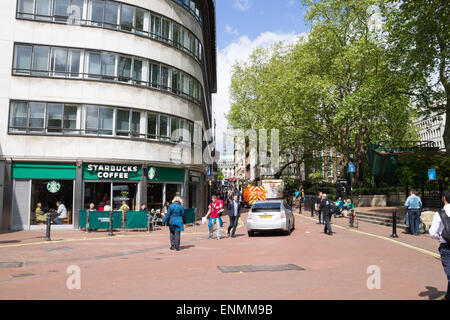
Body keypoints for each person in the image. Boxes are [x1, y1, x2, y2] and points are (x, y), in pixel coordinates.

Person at [429, 190, 450, 300]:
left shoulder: (439, 213)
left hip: (446, 246)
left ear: (443, 198)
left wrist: (440, 236)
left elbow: (432, 233)